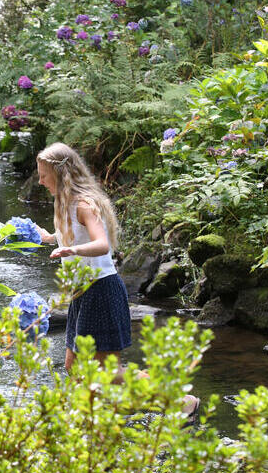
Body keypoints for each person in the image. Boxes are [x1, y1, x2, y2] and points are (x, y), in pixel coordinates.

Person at [35, 142, 200, 416]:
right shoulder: (63, 202)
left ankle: (181, 400)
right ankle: (96, 423)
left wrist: (71, 249)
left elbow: (101, 244)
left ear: (61, 173)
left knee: (108, 373)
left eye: (43, 175)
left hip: (100, 291)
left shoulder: (84, 204)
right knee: (73, 367)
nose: (40, 181)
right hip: (81, 293)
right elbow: (74, 235)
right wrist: (50, 238)